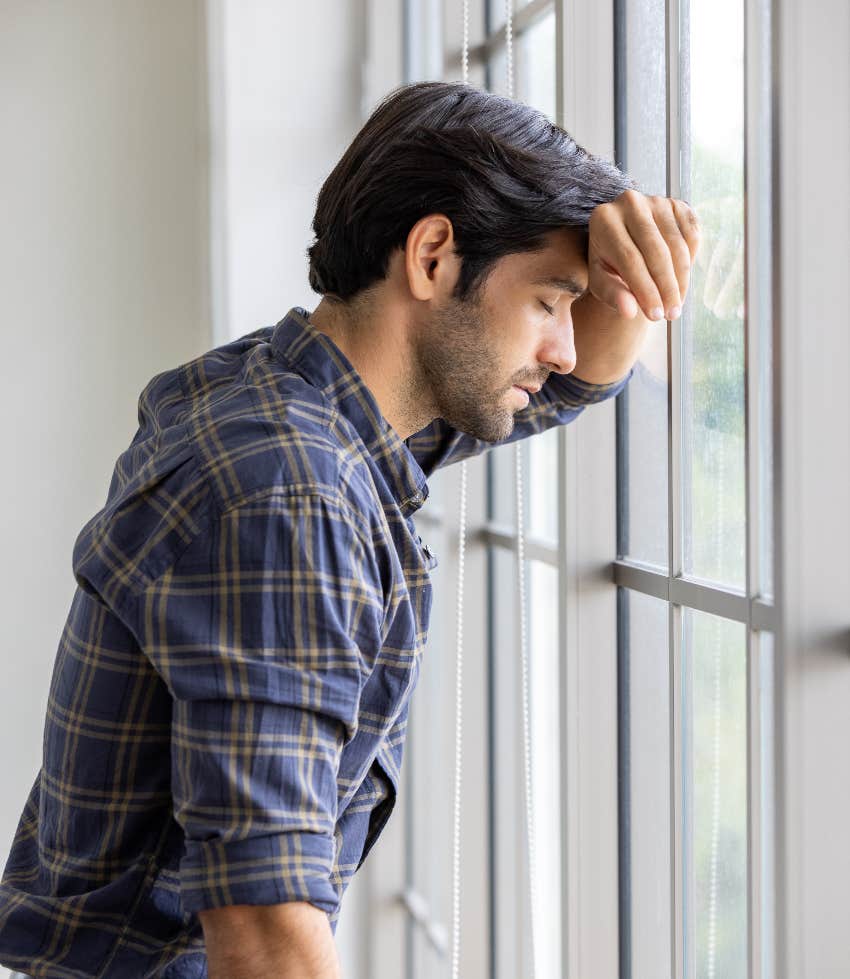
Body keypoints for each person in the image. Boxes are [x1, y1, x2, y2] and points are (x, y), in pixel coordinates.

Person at [0, 80, 698, 978]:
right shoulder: (289, 489)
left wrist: (626, 261)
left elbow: (564, 385)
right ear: (435, 255)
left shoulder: (285, 398)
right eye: (547, 302)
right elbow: (265, 933)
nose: (563, 346)